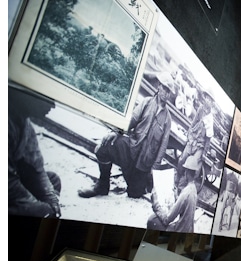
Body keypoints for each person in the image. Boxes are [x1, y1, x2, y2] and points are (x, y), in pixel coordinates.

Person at [78, 71, 174, 199]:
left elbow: (162, 147)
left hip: (143, 164)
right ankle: (102, 186)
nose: (166, 93)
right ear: (158, 86)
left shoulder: (167, 119)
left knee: (134, 194)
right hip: (130, 150)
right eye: (164, 88)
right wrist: (116, 132)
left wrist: (154, 170)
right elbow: (131, 120)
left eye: (169, 91)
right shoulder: (146, 103)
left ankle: (144, 184)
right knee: (104, 147)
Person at [8, 85, 62, 219]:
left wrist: (51, 198)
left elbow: (37, 168)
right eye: (47, 100)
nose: (53, 106)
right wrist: (37, 206)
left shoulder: (25, 123)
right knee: (42, 210)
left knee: (53, 180)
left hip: (13, 179)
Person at [174, 89, 216, 191]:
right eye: (207, 98)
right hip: (192, 140)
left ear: (211, 103)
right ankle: (177, 180)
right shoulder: (200, 109)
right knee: (182, 160)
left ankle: (183, 187)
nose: (207, 101)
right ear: (205, 98)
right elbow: (194, 122)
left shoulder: (210, 119)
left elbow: (208, 138)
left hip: (200, 146)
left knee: (192, 168)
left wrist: (204, 153)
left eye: (210, 100)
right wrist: (189, 134)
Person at [146, 155, 199, 232]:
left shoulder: (186, 192)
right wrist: (176, 195)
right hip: (188, 229)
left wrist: (155, 203)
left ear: (186, 172)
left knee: (151, 221)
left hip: (180, 230)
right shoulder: (193, 189)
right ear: (195, 173)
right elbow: (184, 205)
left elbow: (167, 219)